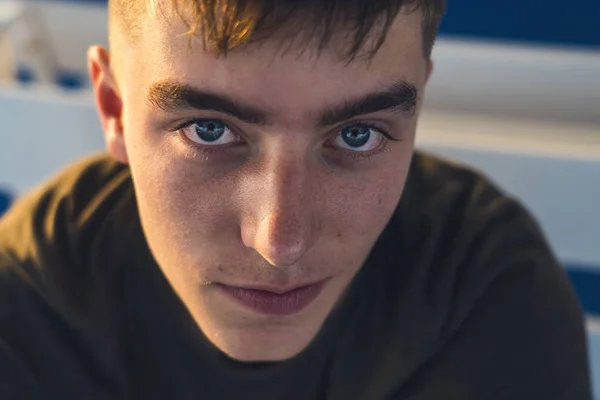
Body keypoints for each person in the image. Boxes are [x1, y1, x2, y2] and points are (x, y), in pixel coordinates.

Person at [0, 0, 592, 398]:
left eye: (357, 134)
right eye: (208, 130)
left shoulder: (489, 290)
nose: (279, 242)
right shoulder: (24, 308)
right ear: (113, 108)